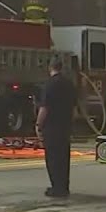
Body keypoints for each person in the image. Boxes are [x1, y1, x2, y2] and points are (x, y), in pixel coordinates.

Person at [36, 56, 76, 198]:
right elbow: (75, 106)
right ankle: (64, 187)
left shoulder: (49, 85)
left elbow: (44, 108)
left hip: (52, 127)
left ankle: (56, 188)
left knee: (53, 159)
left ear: (50, 68)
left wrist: (38, 125)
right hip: (65, 127)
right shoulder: (68, 84)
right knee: (64, 158)